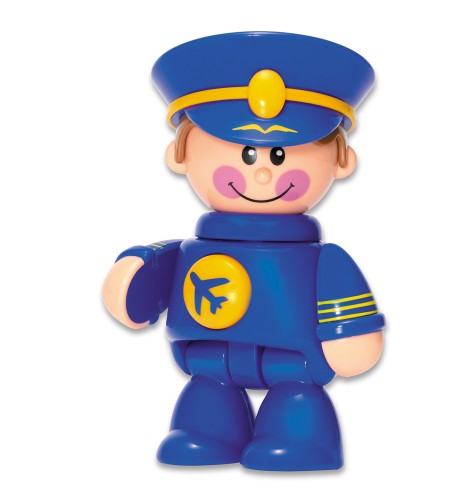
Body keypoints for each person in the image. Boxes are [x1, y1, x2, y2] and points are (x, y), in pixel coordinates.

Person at [102, 32, 385, 471]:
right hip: (207, 361)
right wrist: (135, 280)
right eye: (248, 154)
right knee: (207, 394)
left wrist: (350, 334)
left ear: (341, 162)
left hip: (295, 368)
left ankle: (301, 439)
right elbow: (150, 280)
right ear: (179, 154)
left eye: (279, 155)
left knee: (297, 401)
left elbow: (344, 301)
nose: (263, 175)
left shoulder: (322, 259)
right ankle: (208, 432)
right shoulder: (191, 250)